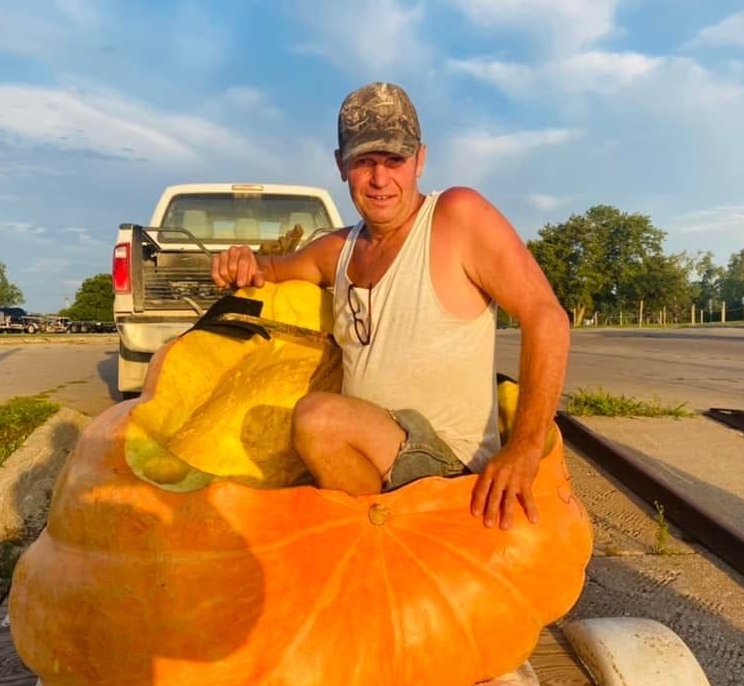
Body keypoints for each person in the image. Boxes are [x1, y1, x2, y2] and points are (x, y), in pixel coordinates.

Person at [211, 81, 570, 529]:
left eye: (394, 160)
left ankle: (387, 544)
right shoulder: (339, 248)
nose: (381, 179)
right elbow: (271, 270)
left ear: (420, 160)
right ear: (341, 166)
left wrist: (524, 449)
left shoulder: (457, 217)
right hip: (375, 460)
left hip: (450, 466)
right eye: (364, 162)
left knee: (319, 419)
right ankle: (376, 547)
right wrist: (242, 262)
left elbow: (546, 317)